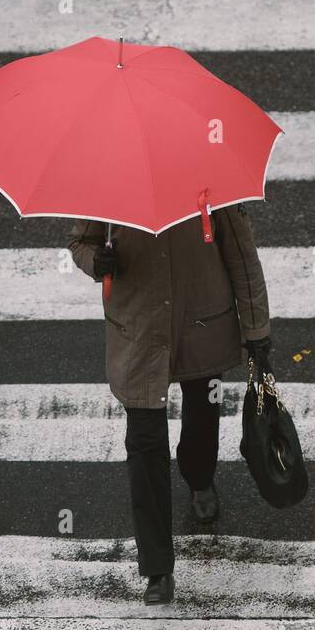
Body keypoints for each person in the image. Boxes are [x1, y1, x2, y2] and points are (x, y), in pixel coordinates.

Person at [67, 203, 272, 605]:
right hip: (139, 330)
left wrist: (257, 331)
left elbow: (242, 255)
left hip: (203, 325)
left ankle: (199, 476)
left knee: (202, 412)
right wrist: (97, 261)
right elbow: (80, 242)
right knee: (144, 444)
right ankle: (157, 567)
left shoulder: (210, 171)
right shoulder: (110, 178)